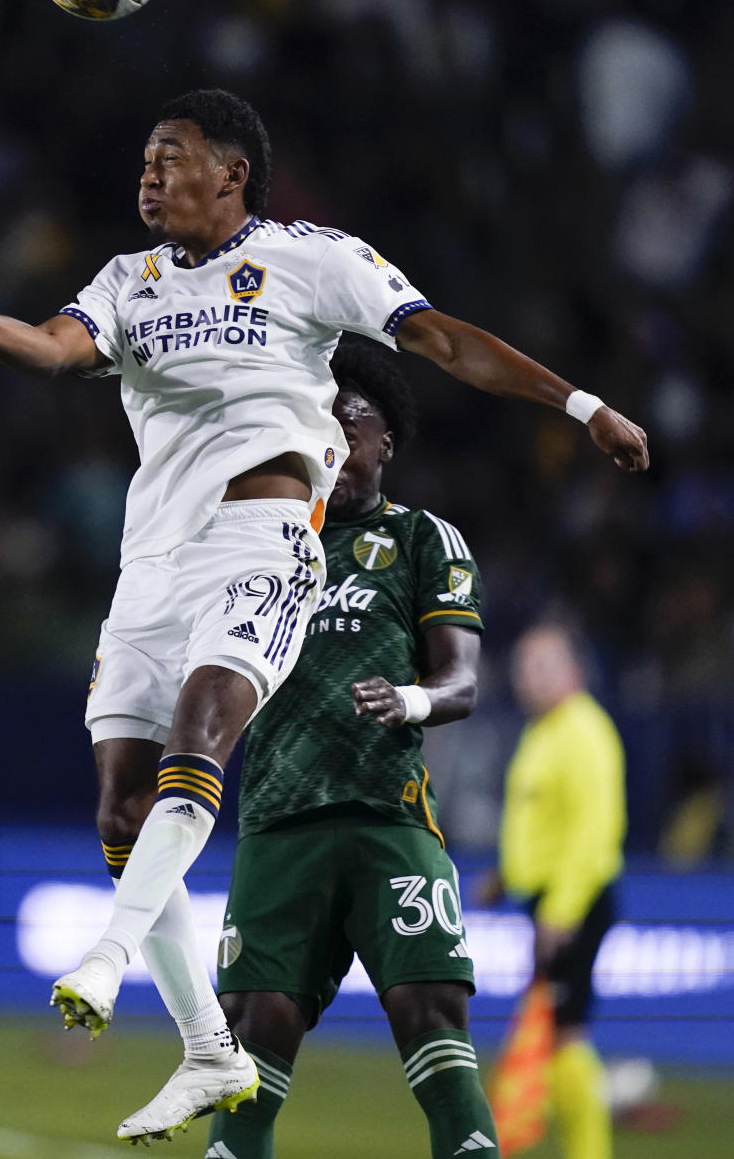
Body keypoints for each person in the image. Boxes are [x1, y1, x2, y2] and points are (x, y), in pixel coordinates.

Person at [0, 88, 647, 1145]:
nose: (147, 174)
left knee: (204, 731)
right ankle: (204, 1050)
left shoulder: (314, 259)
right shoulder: (126, 283)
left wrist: (583, 405)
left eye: (168, 156)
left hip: (261, 540)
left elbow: (444, 341)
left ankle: (109, 955)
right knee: (121, 814)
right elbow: (56, 347)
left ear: (231, 172)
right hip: (152, 566)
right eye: (141, 158)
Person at [207, 339, 499, 1159]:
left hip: (386, 816)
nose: (332, 441)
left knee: (434, 1016)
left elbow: (462, 683)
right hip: (277, 817)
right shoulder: (259, 543)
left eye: (350, 422)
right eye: (315, 428)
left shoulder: (422, 540)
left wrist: (408, 698)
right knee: (251, 1036)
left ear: (385, 442)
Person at [480, 624, 627, 1159]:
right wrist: (505, 876)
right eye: (524, 667)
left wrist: (562, 911)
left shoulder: (583, 732)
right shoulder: (546, 731)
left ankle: (589, 1150)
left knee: (567, 1033)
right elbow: (544, 821)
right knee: (560, 1030)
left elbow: (594, 832)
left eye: (542, 666)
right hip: (550, 900)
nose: (529, 678)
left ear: (574, 671)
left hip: (576, 902)